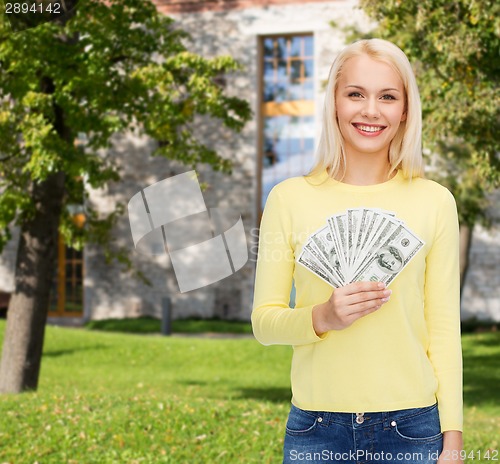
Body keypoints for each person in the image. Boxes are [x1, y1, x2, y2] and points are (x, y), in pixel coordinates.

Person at [252, 39, 463, 464]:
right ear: (334, 103)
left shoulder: (435, 201)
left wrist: (453, 441)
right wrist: (322, 317)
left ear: (405, 109)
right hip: (315, 429)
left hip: (413, 429)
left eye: (387, 96)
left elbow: (443, 330)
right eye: (355, 94)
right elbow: (264, 322)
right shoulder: (287, 198)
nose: (371, 110)